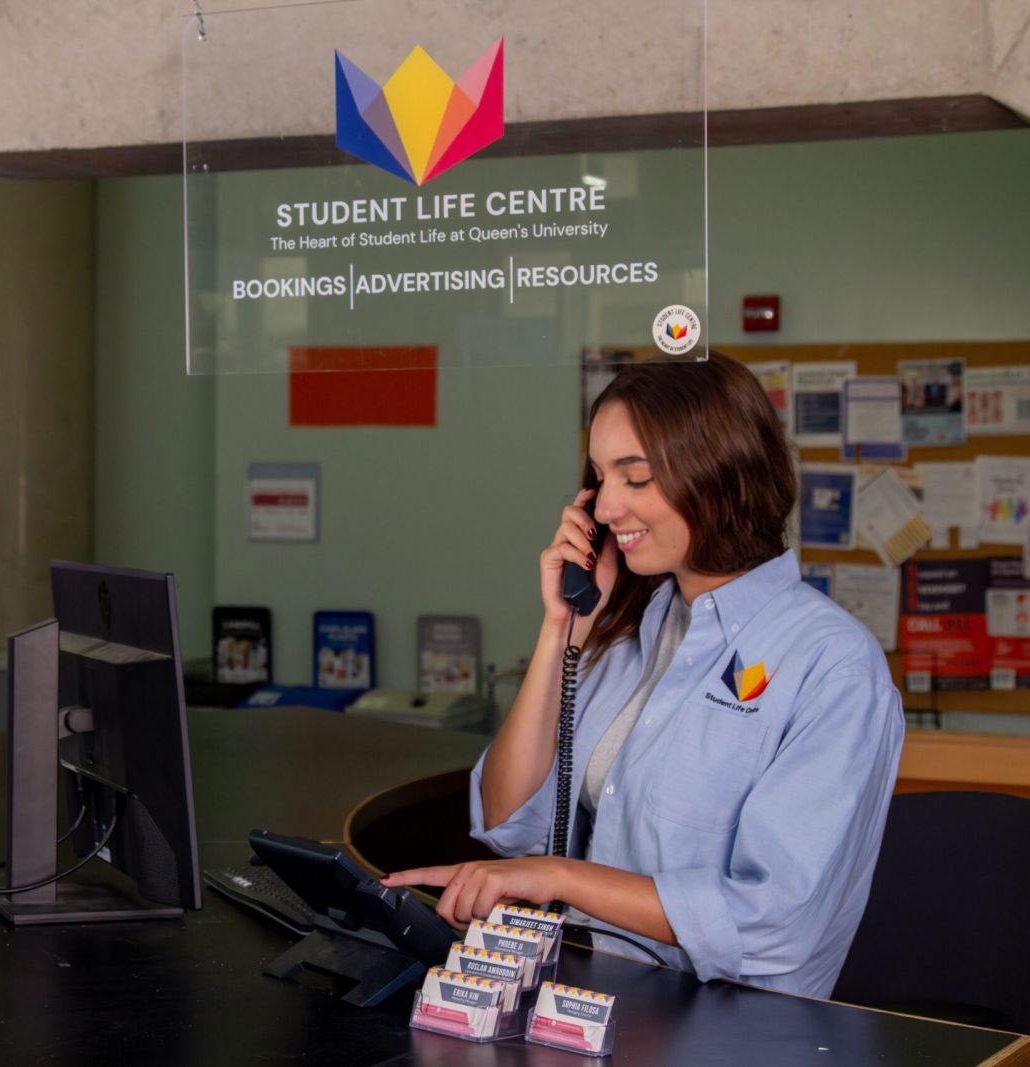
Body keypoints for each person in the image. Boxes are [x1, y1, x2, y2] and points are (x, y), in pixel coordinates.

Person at [384, 354, 904, 998]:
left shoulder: (833, 664)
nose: (603, 509)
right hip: (598, 1001)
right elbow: (507, 817)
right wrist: (562, 630)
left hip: (731, 1029)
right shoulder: (638, 629)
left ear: (723, 474)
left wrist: (561, 878)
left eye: (635, 479)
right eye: (600, 480)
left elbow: (776, 922)